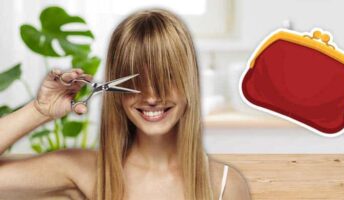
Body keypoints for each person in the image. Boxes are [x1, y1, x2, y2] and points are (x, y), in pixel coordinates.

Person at [0, 8, 251, 200]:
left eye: (167, 77)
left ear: (190, 82)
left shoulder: (225, 184)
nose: (152, 96)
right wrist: (39, 110)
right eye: (137, 80)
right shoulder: (88, 171)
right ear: (116, 89)